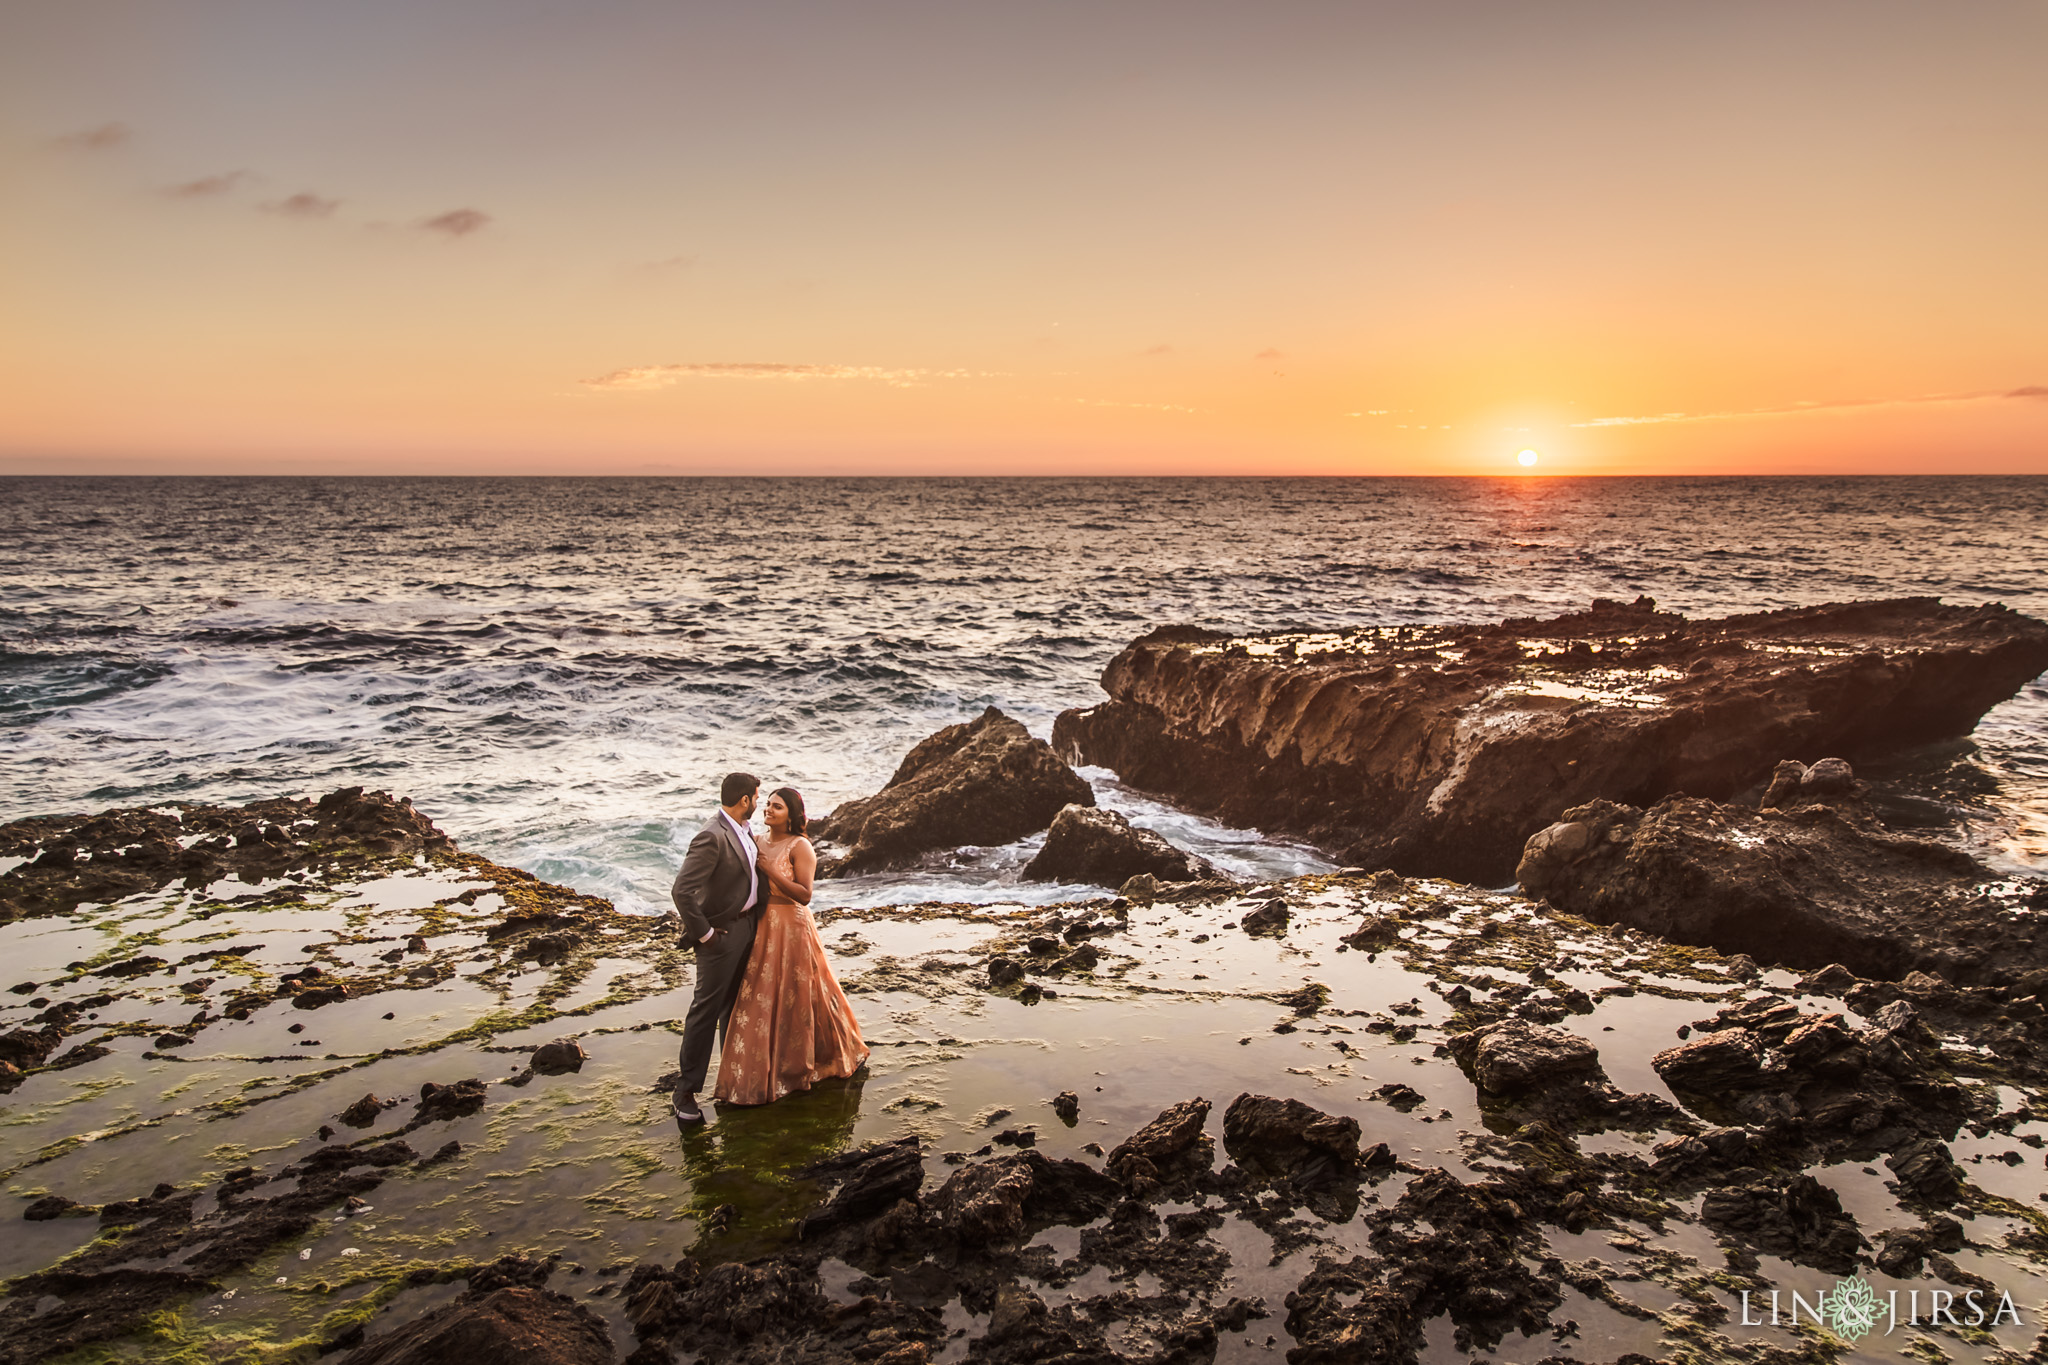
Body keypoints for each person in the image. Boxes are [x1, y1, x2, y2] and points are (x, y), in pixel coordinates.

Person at [712, 786, 870, 1105]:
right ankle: (762, 1070)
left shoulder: (800, 847)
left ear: (792, 815)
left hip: (792, 925)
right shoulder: (756, 841)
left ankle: (820, 1058)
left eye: (778, 807)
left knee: (805, 993)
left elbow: (805, 895)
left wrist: (769, 868)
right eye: (768, 804)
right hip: (762, 926)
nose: (769, 809)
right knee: (761, 999)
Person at [669, 772, 765, 1123]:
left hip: (748, 929)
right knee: (706, 1011)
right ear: (744, 800)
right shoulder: (711, 836)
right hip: (721, 937)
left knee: (734, 1009)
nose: (758, 802)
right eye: (757, 796)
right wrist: (707, 935)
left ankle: (732, 1081)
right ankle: (684, 1092)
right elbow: (682, 891)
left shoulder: (742, 829)